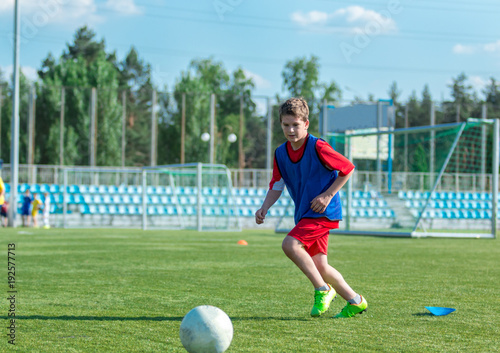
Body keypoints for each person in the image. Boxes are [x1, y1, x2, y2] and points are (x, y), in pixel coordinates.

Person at [255, 97, 368, 318]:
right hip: (305, 214)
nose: (290, 130)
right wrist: (264, 207)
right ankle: (355, 301)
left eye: (295, 125)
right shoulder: (280, 153)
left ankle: (323, 289)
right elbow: (277, 184)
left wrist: (327, 195)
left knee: (290, 245)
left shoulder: (318, 146)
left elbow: (348, 168)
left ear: (306, 124)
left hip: (321, 212)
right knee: (320, 266)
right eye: (286, 125)